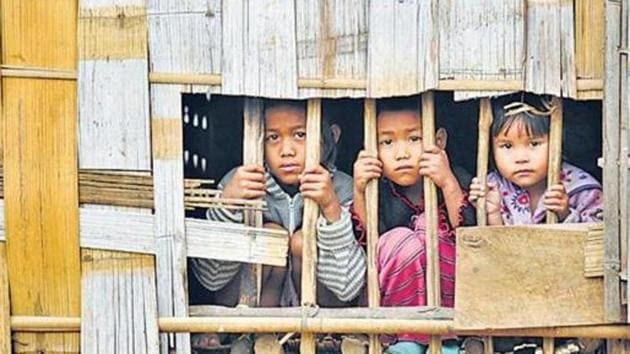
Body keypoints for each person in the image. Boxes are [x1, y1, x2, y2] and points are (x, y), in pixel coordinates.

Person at [190, 100, 366, 353]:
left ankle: (323, 332)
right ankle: (246, 331)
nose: (286, 150)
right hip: (250, 309)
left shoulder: (342, 189)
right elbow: (211, 280)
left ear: (331, 137)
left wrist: (331, 210)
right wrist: (227, 205)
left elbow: (348, 286)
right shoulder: (237, 183)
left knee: (301, 241)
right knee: (271, 237)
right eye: (273, 137)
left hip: (319, 314)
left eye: (300, 135)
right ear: (256, 141)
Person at [468, 97, 603, 354]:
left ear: (557, 144)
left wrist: (565, 214)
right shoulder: (491, 187)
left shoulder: (578, 184)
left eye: (534, 144)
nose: (521, 157)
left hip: (567, 300)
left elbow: (603, 242)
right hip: (512, 300)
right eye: (507, 146)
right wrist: (492, 212)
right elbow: (491, 255)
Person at [352, 97, 475, 354]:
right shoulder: (379, 191)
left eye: (414, 139)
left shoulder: (458, 179)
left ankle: (447, 335)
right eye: (387, 142)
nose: (402, 153)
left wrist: (448, 182)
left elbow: (471, 237)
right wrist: (360, 190)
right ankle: (403, 336)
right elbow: (365, 242)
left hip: (451, 309)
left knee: (431, 228)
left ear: (439, 141)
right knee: (401, 240)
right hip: (390, 310)